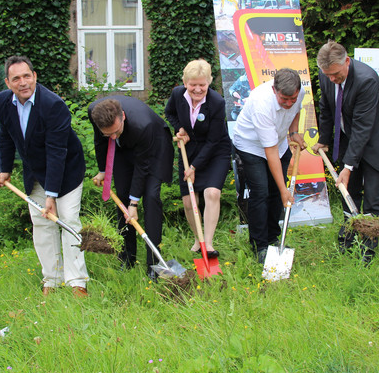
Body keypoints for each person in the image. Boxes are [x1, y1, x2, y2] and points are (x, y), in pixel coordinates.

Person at [0, 56, 89, 297]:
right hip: (35, 172)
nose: (23, 82)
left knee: (67, 220)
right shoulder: (4, 102)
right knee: (42, 223)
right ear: (8, 82)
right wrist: (5, 170)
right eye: (16, 78)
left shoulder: (52, 105)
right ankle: (52, 279)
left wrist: (52, 196)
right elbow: (5, 135)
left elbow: (57, 152)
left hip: (66, 171)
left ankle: (77, 281)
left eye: (27, 76)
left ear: (35, 76)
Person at [313, 41, 379, 264]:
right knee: (348, 192)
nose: (332, 79)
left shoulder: (367, 80)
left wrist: (348, 166)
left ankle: (368, 248)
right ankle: (348, 239)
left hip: (376, 140)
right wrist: (324, 140)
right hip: (349, 137)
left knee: (372, 195)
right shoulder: (327, 75)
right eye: (328, 75)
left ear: (347, 62)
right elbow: (326, 107)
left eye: (336, 74)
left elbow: (363, 127)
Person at [89, 96, 174, 280]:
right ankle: (127, 258)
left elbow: (142, 166)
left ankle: (154, 263)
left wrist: (134, 204)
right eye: (108, 133)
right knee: (122, 197)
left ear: (123, 117)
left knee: (150, 197)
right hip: (124, 149)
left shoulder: (142, 125)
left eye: (115, 131)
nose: (112, 137)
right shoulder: (94, 113)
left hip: (154, 147)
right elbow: (100, 141)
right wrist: (103, 170)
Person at [232, 68, 306, 263]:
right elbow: (269, 152)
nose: (289, 103)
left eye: (293, 98)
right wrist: (285, 190)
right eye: (284, 99)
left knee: (274, 191)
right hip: (250, 144)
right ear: (275, 90)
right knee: (261, 191)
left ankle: (273, 238)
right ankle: (259, 245)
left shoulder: (299, 93)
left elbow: (297, 109)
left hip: (278, 142)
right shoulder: (261, 103)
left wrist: (293, 132)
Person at [164, 59, 232, 257]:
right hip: (189, 149)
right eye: (193, 84)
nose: (197, 89)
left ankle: (208, 244)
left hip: (216, 150)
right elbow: (170, 113)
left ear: (209, 82)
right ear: (185, 82)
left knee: (211, 193)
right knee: (188, 201)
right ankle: (197, 238)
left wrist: (193, 167)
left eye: (202, 84)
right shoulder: (177, 95)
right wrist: (179, 128)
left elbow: (213, 141)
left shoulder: (217, 102)